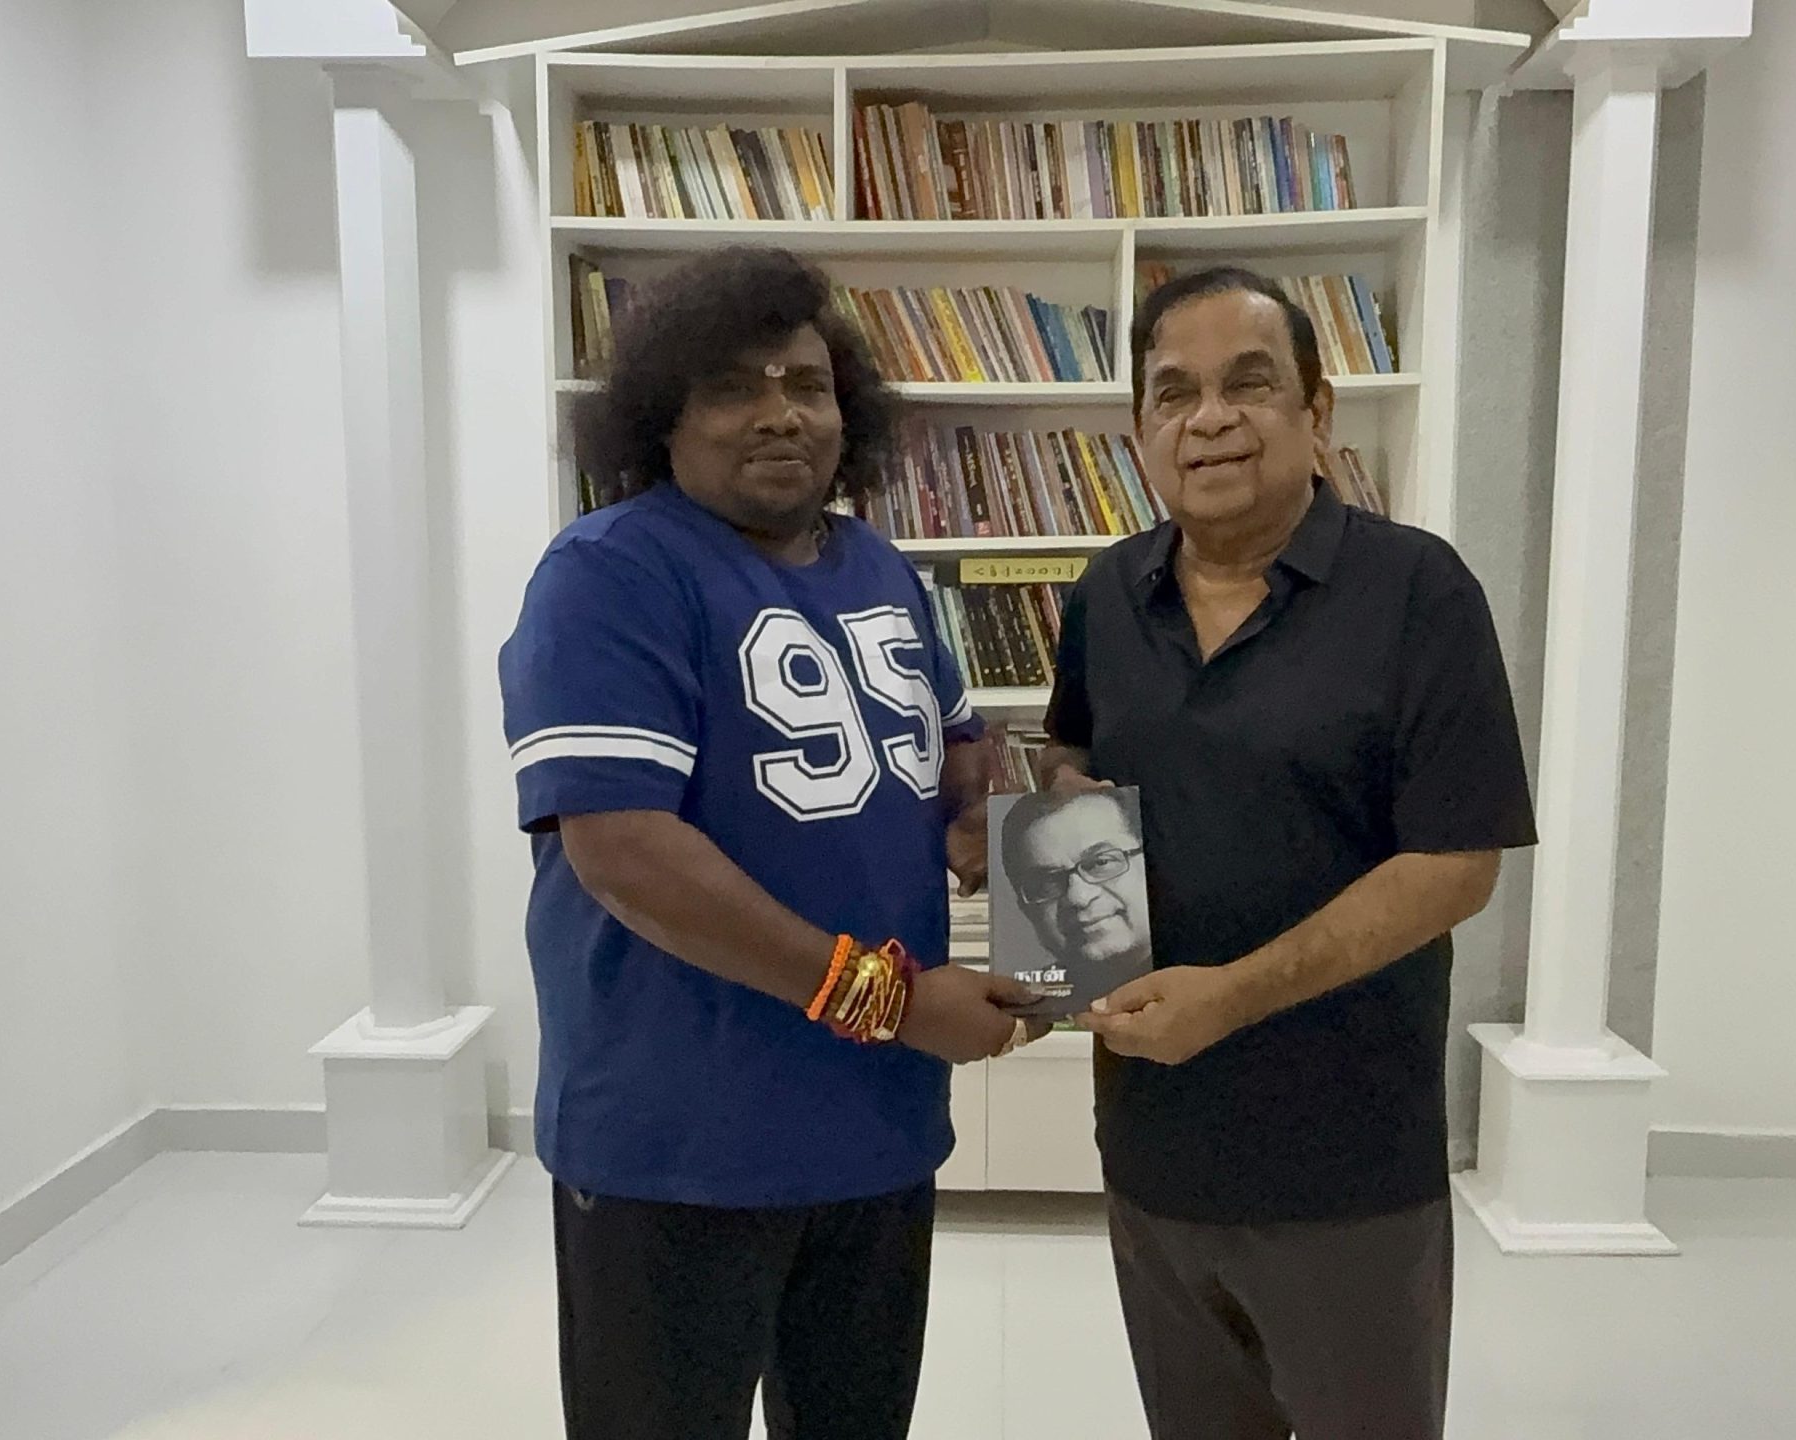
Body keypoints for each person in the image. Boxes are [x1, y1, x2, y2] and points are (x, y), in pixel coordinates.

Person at [498, 246, 1039, 1440]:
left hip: (876, 1134)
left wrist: (987, 818)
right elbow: (624, 853)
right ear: (664, 418)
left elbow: (951, 750)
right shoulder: (607, 574)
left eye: (806, 383)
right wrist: (892, 1002)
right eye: (733, 387)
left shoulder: (882, 569)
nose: (781, 413)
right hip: (677, 1146)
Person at [1039, 265, 1537, 1440]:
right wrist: (1057, 887)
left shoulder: (1418, 591)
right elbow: (1070, 759)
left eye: (1248, 384)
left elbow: (1457, 864)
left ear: (1318, 413)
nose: (1208, 419)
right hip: (1154, 1151)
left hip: (1346, 1167)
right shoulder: (1107, 592)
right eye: (1174, 393)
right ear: (1139, 433)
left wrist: (1232, 996)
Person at [995, 788, 1153, 1008]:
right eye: (1048, 882)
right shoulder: (1024, 999)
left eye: (1101, 863)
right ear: (1025, 908)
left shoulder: (1202, 977)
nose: (1078, 897)